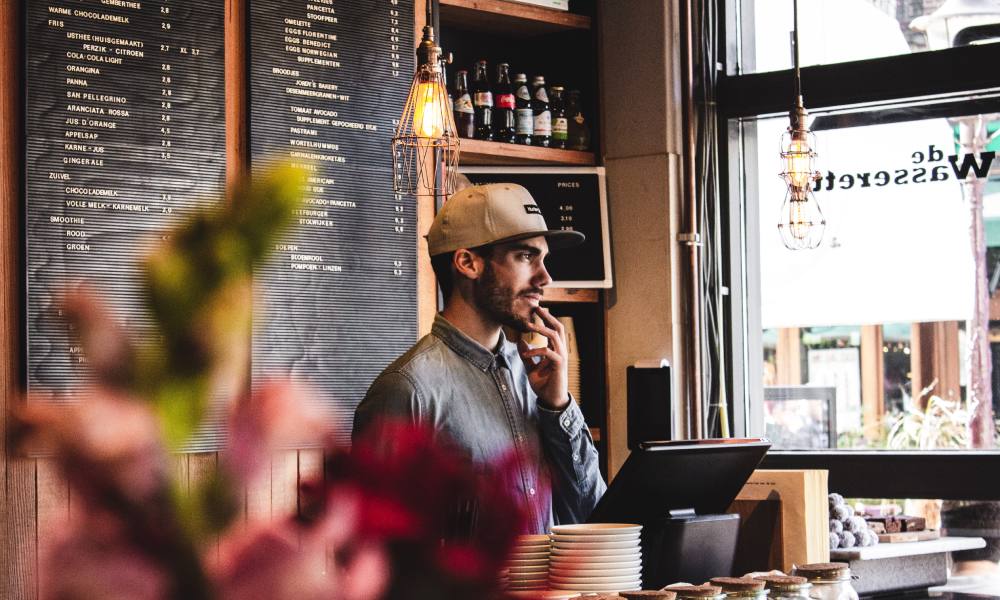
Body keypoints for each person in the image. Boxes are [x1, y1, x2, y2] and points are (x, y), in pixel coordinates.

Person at [352, 182, 606, 534]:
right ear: (468, 262)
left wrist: (558, 406)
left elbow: (592, 514)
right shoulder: (407, 390)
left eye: (544, 259)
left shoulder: (538, 378)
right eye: (526, 256)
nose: (545, 277)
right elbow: (379, 550)